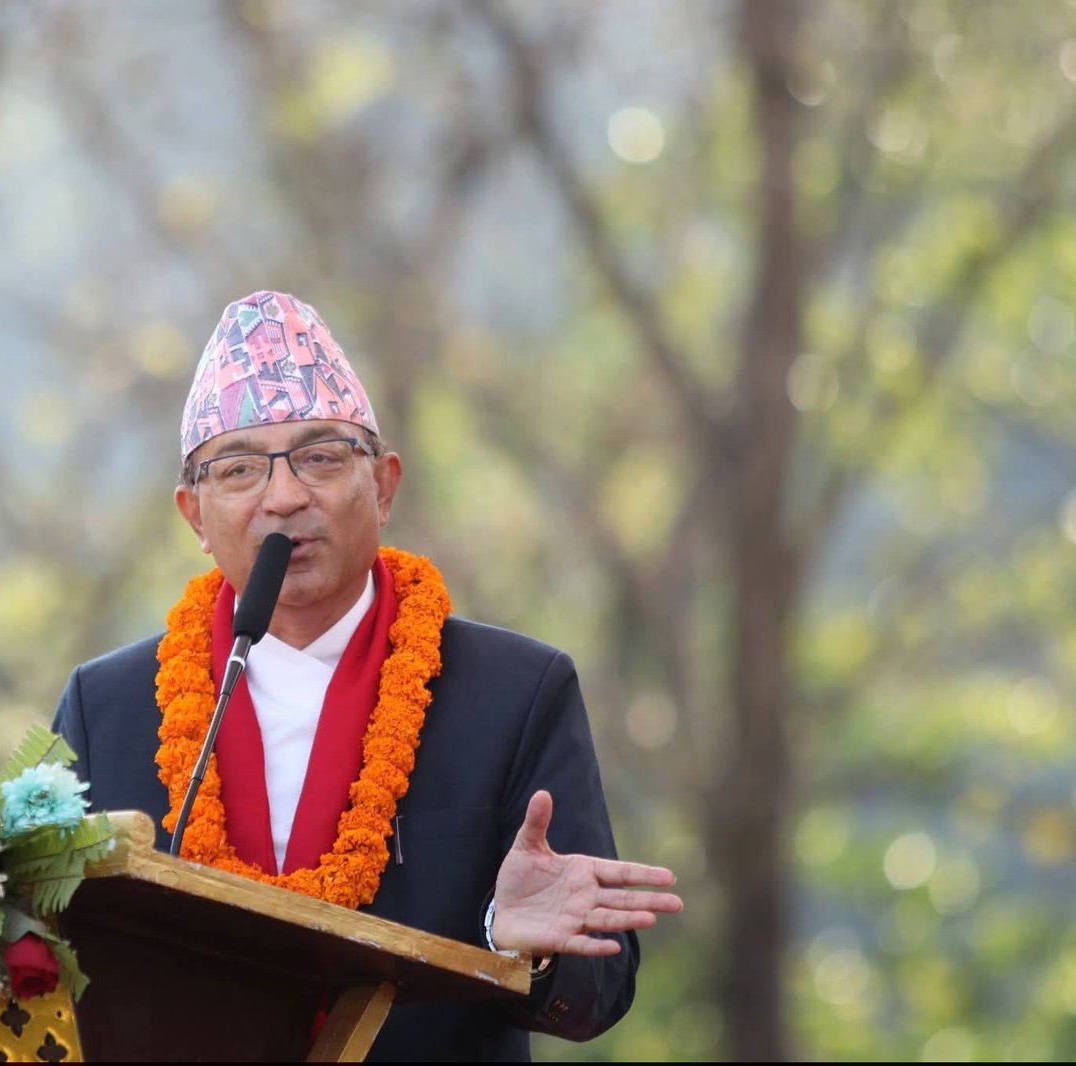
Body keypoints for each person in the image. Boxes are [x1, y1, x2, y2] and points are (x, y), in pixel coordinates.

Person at [53, 290, 682, 1061]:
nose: (285, 497)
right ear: (194, 515)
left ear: (384, 486)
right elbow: (37, 955)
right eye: (240, 469)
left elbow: (600, 994)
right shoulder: (106, 707)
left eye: (320, 457)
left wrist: (521, 946)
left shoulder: (515, 693)